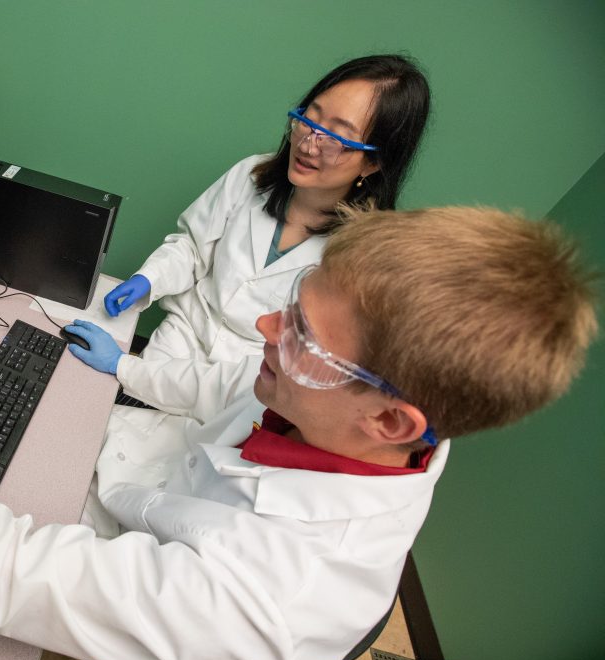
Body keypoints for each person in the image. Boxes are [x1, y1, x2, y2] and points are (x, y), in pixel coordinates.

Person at [0, 207, 597, 660]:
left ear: (391, 421)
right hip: (134, 488)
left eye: (299, 333)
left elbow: (8, 576)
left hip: (136, 596)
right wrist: (131, 366)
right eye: (293, 300)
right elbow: (223, 390)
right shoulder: (358, 424)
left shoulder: (273, 597)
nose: (265, 325)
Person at [98, 54, 430, 412]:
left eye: (335, 137)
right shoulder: (250, 175)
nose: (307, 143)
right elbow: (194, 250)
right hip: (172, 349)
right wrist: (150, 278)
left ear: (374, 161)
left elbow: (289, 370)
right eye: (308, 118)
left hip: (242, 399)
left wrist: (124, 366)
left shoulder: (363, 261)